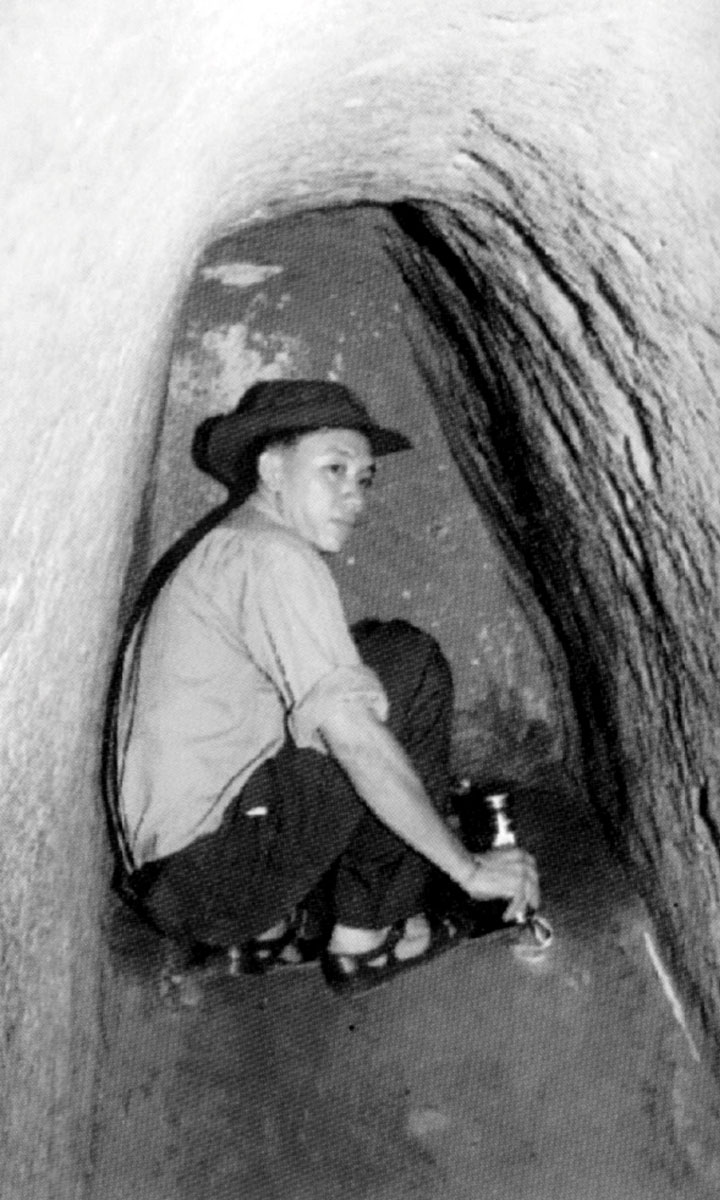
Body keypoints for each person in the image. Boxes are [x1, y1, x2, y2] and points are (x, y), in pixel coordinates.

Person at [106, 378, 540, 996]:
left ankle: (279, 924)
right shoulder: (274, 557)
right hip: (213, 881)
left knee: (365, 667)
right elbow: (354, 737)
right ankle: (374, 935)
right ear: (272, 468)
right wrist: (468, 869)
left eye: (364, 478)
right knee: (404, 663)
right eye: (333, 469)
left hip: (175, 880)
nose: (354, 495)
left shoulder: (232, 547)